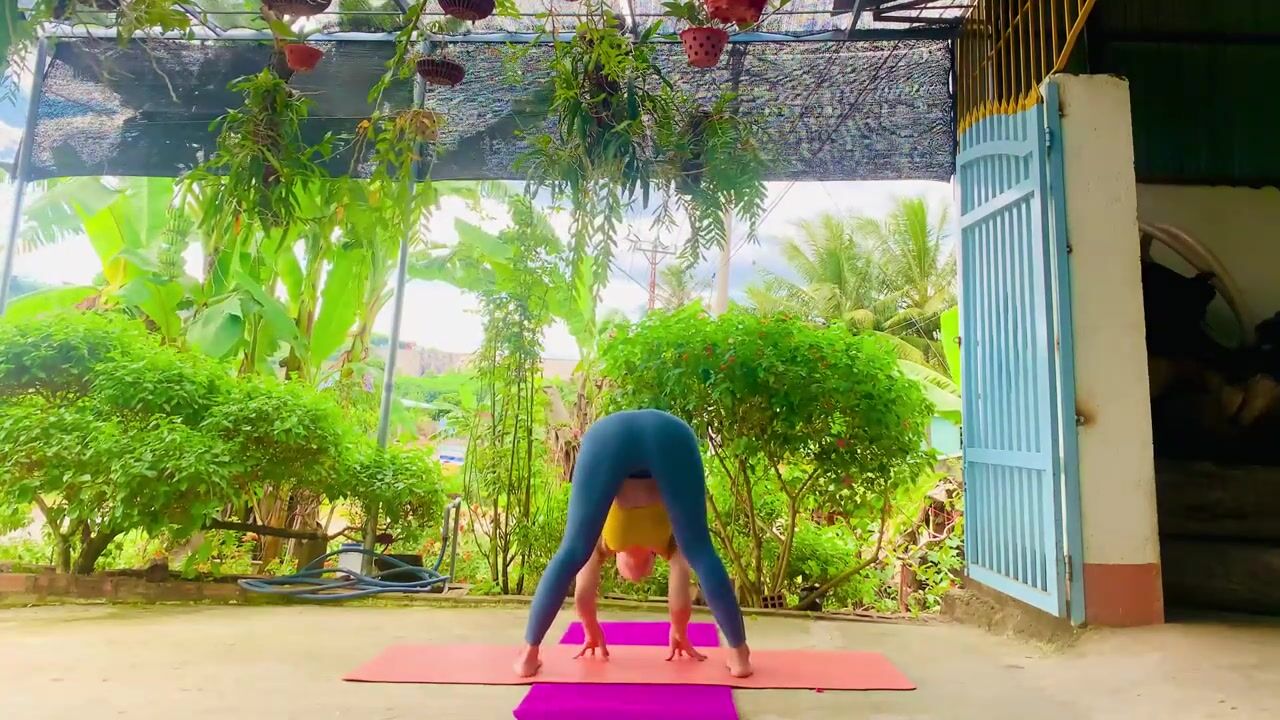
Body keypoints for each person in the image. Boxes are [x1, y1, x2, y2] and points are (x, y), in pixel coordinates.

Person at [513, 409, 752, 678]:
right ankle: (739, 654)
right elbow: (680, 588)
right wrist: (678, 629)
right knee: (700, 552)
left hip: (611, 437)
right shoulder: (667, 546)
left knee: (572, 551)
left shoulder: (604, 545)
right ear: (652, 557)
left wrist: (590, 628)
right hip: (668, 436)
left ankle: (529, 654)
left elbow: (583, 593)